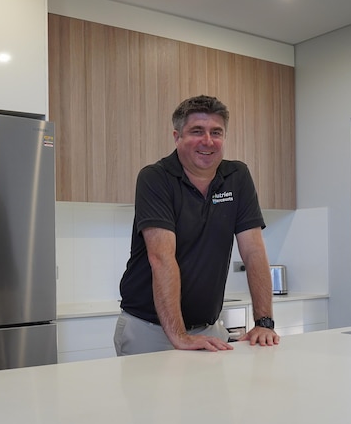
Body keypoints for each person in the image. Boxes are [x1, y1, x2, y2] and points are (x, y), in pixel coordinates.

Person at [113, 95, 280, 355]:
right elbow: (161, 257)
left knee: (211, 398)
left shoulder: (237, 177)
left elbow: (254, 251)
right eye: (196, 131)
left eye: (216, 132)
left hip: (208, 330)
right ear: (177, 136)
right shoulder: (155, 178)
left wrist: (264, 323)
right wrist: (179, 336)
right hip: (149, 330)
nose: (208, 141)